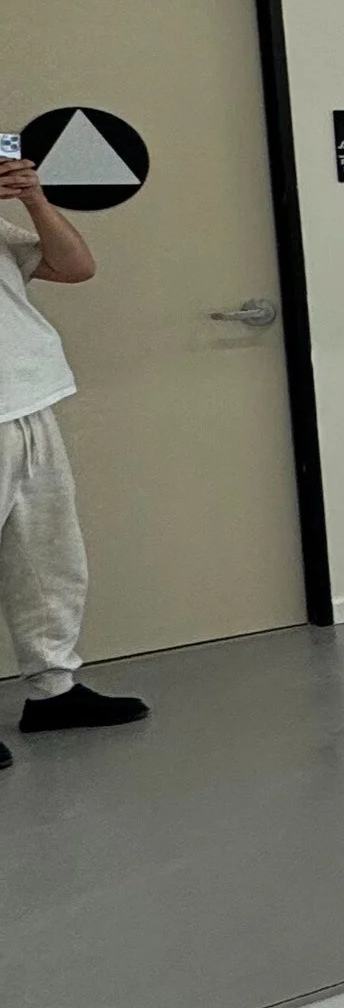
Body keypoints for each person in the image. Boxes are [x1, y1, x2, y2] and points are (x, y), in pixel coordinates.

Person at [0, 145, 149, 765]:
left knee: (48, 560)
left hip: (27, 398)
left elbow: (76, 265)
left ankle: (55, 690)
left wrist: (33, 197)